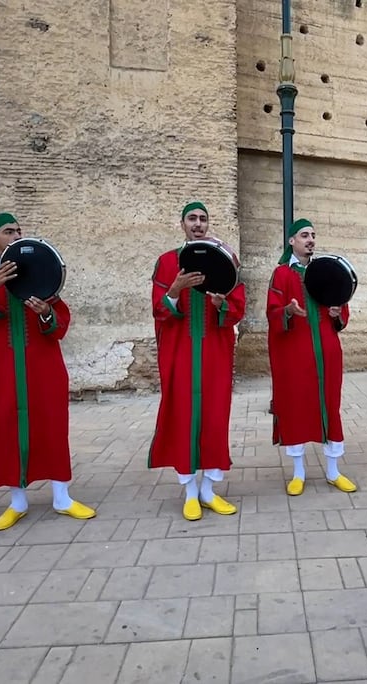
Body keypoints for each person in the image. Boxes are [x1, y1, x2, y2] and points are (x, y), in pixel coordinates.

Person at [0, 212, 96, 530]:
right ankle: (17, 502)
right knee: (6, 429)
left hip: (42, 365)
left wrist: (46, 311)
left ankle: (62, 497)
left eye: (19, 231)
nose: (17, 236)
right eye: (9, 231)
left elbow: (60, 325)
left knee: (52, 426)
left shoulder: (41, 269)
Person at [149, 202, 245, 521]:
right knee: (183, 419)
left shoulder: (226, 260)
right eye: (192, 218)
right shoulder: (167, 262)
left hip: (215, 353)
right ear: (182, 224)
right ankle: (190, 492)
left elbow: (238, 307)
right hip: (179, 353)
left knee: (215, 418)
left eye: (203, 219)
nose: (198, 224)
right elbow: (159, 310)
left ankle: (209, 490)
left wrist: (221, 304)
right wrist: (176, 289)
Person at [267, 218, 357, 496]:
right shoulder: (281, 274)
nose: (310, 240)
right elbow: (272, 312)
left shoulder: (327, 270)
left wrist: (337, 313)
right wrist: (288, 311)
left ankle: (333, 471)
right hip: (295, 354)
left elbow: (341, 306)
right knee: (296, 408)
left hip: (327, 352)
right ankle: (298, 473)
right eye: (304, 235)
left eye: (313, 235)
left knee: (330, 407)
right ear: (292, 241)